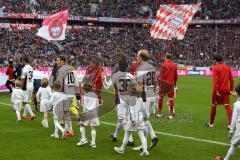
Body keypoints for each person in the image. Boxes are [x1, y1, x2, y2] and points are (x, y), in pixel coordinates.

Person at [103, 58, 135, 146]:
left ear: (119, 66)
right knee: (124, 119)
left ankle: (130, 140)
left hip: (121, 100)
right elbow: (135, 87)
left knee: (122, 120)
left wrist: (104, 77)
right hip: (130, 99)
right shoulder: (130, 76)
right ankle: (115, 135)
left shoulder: (116, 76)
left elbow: (106, 86)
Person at [114, 83, 149, 156]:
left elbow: (131, 111)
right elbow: (143, 109)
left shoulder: (130, 100)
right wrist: (145, 117)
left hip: (133, 119)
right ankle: (145, 151)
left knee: (127, 134)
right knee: (141, 135)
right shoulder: (140, 99)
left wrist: (132, 120)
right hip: (140, 118)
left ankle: (121, 149)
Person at [134, 49, 158, 149]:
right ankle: (153, 136)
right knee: (145, 118)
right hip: (154, 95)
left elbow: (139, 86)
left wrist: (136, 96)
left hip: (146, 96)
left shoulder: (141, 68)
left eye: (138, 56)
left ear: (142, 58)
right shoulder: (152, 67)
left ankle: (144, 144)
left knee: (141, 119)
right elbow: (156, 81)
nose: (137, 57)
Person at [206, 55, 234, 129]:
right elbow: (231, 80)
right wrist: (231, 90)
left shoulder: (215, 68)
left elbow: (215, 81)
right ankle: (230, 124)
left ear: (215, 60)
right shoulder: (228, 68)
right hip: (226, 90)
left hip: (218, 91)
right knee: (227, 106)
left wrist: (216, 91)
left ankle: (211, 124)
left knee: (214, 106)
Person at [57, 55, 80, 136]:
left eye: (59, 60)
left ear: (63, 61)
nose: (58, 62)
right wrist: (77, 95)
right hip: (71, 93)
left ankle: (69, 130)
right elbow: (77, 83)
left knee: (65, 112)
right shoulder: (73, 70)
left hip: (65, 93)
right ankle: (68, 130)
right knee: (66, 112)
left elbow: (60, 83)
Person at [217, 84, 240, 160]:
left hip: (239, 131)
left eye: (236, 92)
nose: (234, 93)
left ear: (238, 93)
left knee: (233, 146)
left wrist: (231, 131)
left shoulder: (237, 105)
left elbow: (233, 120)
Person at [77, 83, 100, 148]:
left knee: (81, 124)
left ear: (85, 89)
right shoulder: (95, 95)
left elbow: (84, 106)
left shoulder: (85, 96)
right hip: (94, 112)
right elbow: (97, 104)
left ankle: (83, 139)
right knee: (93, 127)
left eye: (83, 89)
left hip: (87, 112)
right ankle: (93, 143)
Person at [157, 53, 178, 119]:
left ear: (165, 57)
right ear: (171, 58)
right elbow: (176, 76)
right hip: (171, 84)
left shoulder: (163, 65)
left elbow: (160, 76)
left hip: (163, 85)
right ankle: (171, 115)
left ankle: (160, 114)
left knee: (160, 98)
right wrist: (175, 84)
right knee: (171, 99)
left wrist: (158, 84)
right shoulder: (174, 65)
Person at [20, 55, 35, 120]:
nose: (21, 62)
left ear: (24, 60)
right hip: (31, 85)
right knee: (27, 101)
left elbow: (23, 79)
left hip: (26, 86)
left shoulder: (25, 68)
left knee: (24, 102)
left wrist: (20, 88)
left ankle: (32, 114)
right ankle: (24, 115)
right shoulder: (30, 67)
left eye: (22, 60)